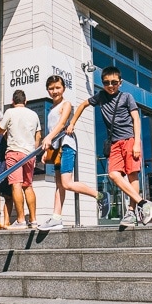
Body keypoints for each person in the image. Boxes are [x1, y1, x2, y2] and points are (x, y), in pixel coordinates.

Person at [67, 66, 152, 227]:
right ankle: (143, 204)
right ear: (102, 83)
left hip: (129, 140)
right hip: (114, 142)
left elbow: (136, 119)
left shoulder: (126, 97)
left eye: (114, 82)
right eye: (106, 82)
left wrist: (136, 142)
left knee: (132, 176)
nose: (110, 85)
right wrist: (72, 123)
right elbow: (82, 105)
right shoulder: (101, 96)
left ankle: (131, 211)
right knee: (113, 174)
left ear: (120, 82)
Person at [38, 75, 111, 231]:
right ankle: (56, 217)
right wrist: (48, 150)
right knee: (59, 185)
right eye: (51, 88)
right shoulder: (51, 109)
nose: (54, 91)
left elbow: (62, 124)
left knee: (66, 183)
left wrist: (49, 137)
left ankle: (100, 196)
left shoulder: (66, 104)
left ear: (63, 88)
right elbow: (53, 130)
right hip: (56, 148)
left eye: (57, 87)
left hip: (67, 147)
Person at [0, 89, 41, 230]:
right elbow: (38, 135)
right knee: (28, 185)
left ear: (13, 101)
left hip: (14, 152)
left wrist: (7, 135)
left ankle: (21, 220)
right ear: (25, 101)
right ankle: (33, 220)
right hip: (29, 153)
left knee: (16, 184)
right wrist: (33, 151)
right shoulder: (34, 114)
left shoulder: (10, 112)